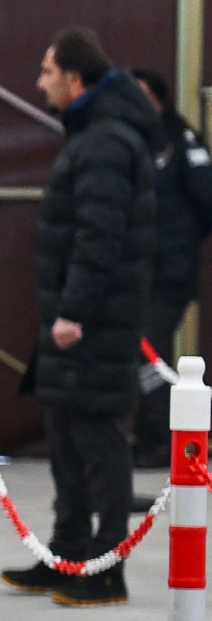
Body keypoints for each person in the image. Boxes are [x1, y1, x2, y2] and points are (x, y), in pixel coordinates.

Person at [3, 29, 161, 607]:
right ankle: (68, 555)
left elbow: (101, 235)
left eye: (48, 72)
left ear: (76, 79)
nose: (40, 82)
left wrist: (73, 311)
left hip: (94, 323)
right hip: (78, 321)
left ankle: (107, 565)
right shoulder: (93, 135)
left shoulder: (106, 143)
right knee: (67, 437)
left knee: (99, 440)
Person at [128, 68, 212, 469]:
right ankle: (149, 437)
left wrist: (178, 239)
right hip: (137, 271)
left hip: (170, 272)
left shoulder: (181, 139)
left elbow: (206, 197)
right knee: (142, 354)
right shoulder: (129, 142)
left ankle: (164, 438)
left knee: (150, 354)